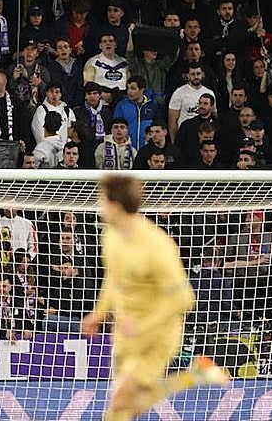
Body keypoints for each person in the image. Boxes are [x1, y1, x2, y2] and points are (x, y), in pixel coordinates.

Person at [81, 174, 227, 421]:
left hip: (156, 335)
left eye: (102, 200)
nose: (99, 206)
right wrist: (99, 313)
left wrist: (143, 325)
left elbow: (184, 299)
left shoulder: (157, 245)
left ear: (115, 205)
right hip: (126, 333)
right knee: (129, 408)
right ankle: (194, 376)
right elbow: (114, 278)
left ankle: (194, 376)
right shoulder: (111, 236)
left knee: (120, 403)